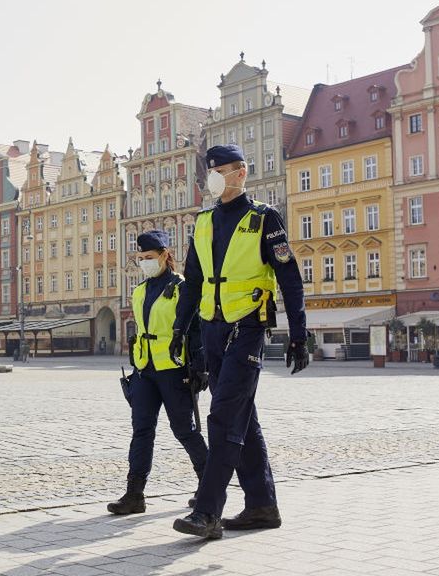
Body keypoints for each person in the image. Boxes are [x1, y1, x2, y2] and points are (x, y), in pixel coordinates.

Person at [171, 144, 309, 539]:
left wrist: (298, 334)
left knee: (223, 417)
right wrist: (182, 330)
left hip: (247, 329)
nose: (211, 176)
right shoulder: (202, 222)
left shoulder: (265, 219)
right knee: (241, 419)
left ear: (240, 173)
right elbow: (193, 282)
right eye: (208, 170)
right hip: (212, 329)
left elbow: (289, 278)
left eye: (219, 170)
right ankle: (262, 505)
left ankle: (207, 511)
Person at [108, 230, 209, 516]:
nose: (144, 263)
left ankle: (209, 487)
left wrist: (202, 368)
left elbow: (197, 330)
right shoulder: (140, 291)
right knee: (141, 431)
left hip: (175, 370)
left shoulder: (182, 288)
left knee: (185, 431)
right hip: (145, 370)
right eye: (140, 258)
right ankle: (134, 494)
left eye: (149, 257)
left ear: (166, 255)